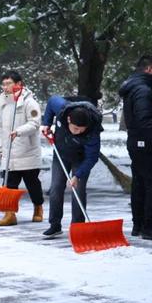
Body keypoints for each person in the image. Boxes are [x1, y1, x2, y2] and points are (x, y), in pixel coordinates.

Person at [120, 56, 152, 240]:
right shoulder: (142, 91)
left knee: (140, 184)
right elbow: (145, 121)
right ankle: (149, 227)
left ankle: (138, 225)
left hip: (136, 143)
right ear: (149, 69)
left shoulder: (135, 88)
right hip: (146, 145)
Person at [40, 96, 102, 238]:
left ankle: (78, 227)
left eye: (82, 130)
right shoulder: (62, 108)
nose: (78, 132)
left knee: (78, 190)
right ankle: (55, 225)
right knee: (56, 187)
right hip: (61, 153)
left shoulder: (93, 131)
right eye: (75, 128)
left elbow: (92, 157)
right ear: (68, 120)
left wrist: (78, 175)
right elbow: (50, 101)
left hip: (81, 159)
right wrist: (46, 123)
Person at [0, 70, 44, 226]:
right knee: (9, 185)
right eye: (4, 84)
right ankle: (10, 214)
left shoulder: (29, 102)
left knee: (32, 183)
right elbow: (1, 129)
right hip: (10, 153)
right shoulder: (3, 103)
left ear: (19, 84)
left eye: (9, 83)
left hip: (27, 151)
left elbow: (35, 123)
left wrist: (19, 132)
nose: (5, 87)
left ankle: (38, 208)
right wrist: (1, 148)